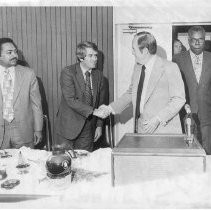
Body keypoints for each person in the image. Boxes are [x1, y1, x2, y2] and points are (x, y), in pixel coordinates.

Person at [95, 31, 185, 134]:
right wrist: (110, 108)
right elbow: (131, 92)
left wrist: (158, 119)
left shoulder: (170, 67)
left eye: (134, 49)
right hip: (141, 127)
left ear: (145, 51)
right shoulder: (138, 67)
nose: (132, 52)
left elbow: (179, 99)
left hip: (162, 129)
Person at [55, 41, 105, 152]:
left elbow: (100, 102)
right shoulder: (68, 72)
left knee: (85, 162)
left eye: (96, 55)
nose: (95, 59)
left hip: (88, 128)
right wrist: (94, 111)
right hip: (68, 127)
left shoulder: (99, 75)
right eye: (91, 56)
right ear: (81, 58)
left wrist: (99, 125)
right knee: (65, 162)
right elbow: (71, 100)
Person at [173, 25, 211, 155]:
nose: (197, 42)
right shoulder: (177, 60)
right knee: (189, 154)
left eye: (200, 39)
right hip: (186, 116)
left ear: (204, 40)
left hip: (208, 117)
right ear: (188, 40)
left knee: (207, 153)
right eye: (194, 39)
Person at [0, 38, 43, 149]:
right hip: (1, 130)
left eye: (15, 51)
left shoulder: (28, 74)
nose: (15, 55)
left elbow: (36, 104)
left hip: (23, 131)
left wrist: (38, 129)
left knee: (26, 164)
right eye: (9, 52)